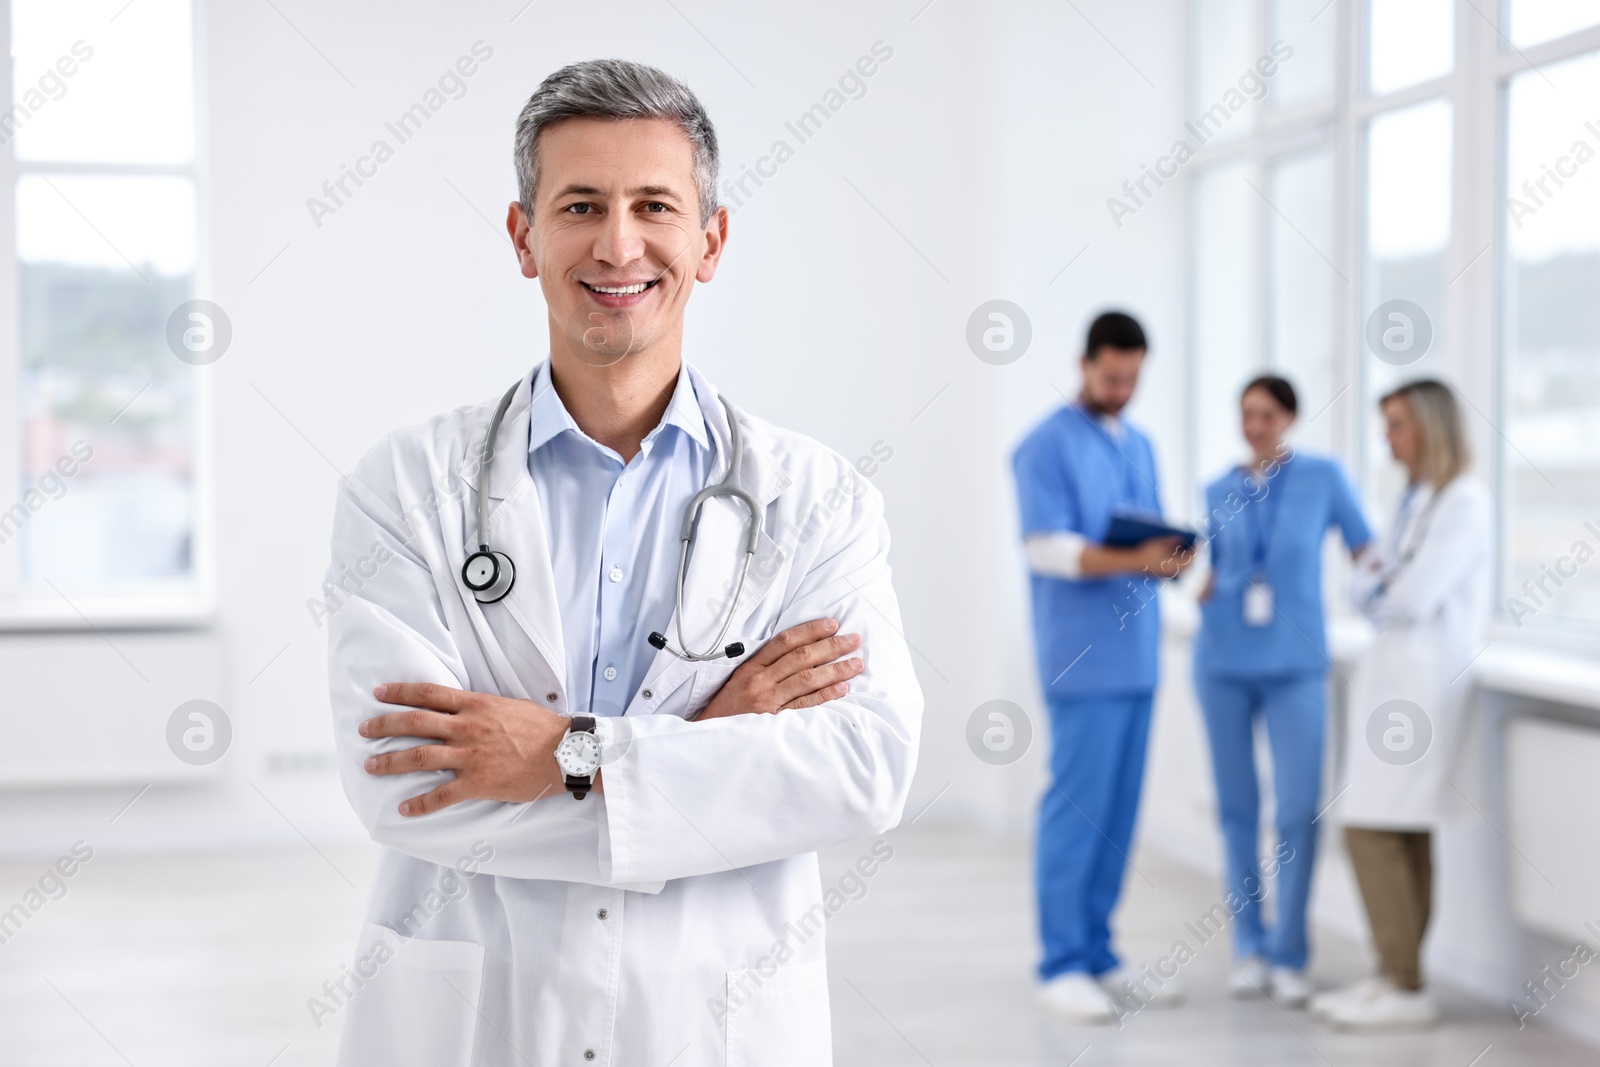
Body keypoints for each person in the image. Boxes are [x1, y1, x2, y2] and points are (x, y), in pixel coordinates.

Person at [324, 59, 923, 1066]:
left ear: (710, 240)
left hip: (708, 1017)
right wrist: (707, 754)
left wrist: (564, 753)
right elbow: (401, 785)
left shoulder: (816, 499)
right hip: (485, 1017)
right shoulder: (405, 487)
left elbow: (864, 768)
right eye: (579, 205)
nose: (617, 243)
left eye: (654, 204)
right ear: (524, 237)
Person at [1012, 310, 1195, 1023]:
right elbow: (1046, 548)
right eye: (1111, 376)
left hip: (1139, 657)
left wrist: (1172, 560)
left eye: (1133, 378)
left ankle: (1099, 952)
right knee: (1077, 809)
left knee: (1119, 815)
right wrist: (1136, 559)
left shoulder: (1140, 443)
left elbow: (1149, 531)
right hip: (1082, 659)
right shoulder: (1042, 446)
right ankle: (1059, 961)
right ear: (1085, 364)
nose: (1121, 389)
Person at [1310, 379, 1491, 1031]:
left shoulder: (1464, 501)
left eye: (1397, 425)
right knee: (1400, 829)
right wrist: (1379, 586)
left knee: (1372, 828)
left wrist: (1379, 586)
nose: (1388, 439)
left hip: (1426, 688)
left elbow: (1409, 596)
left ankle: (1405, 982)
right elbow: (1363, 580)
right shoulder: (1413, 499)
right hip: (1394, 681)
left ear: (1432, 428)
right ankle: (1396, 974)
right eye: (1384, 425)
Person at [1192, 375, 1373, 1008]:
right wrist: (1199, 579)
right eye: (1246, 414)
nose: (1255, 426)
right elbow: (1213, 566)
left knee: (1298, 809)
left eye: (1267, 414)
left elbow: (1366, 550)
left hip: (1297, 663)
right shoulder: (1217, 488)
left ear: (1290, 418)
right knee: (1238, 809)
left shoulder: (1324, 477)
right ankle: (1250, 947)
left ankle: (1291, 952)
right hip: (1221, 660)